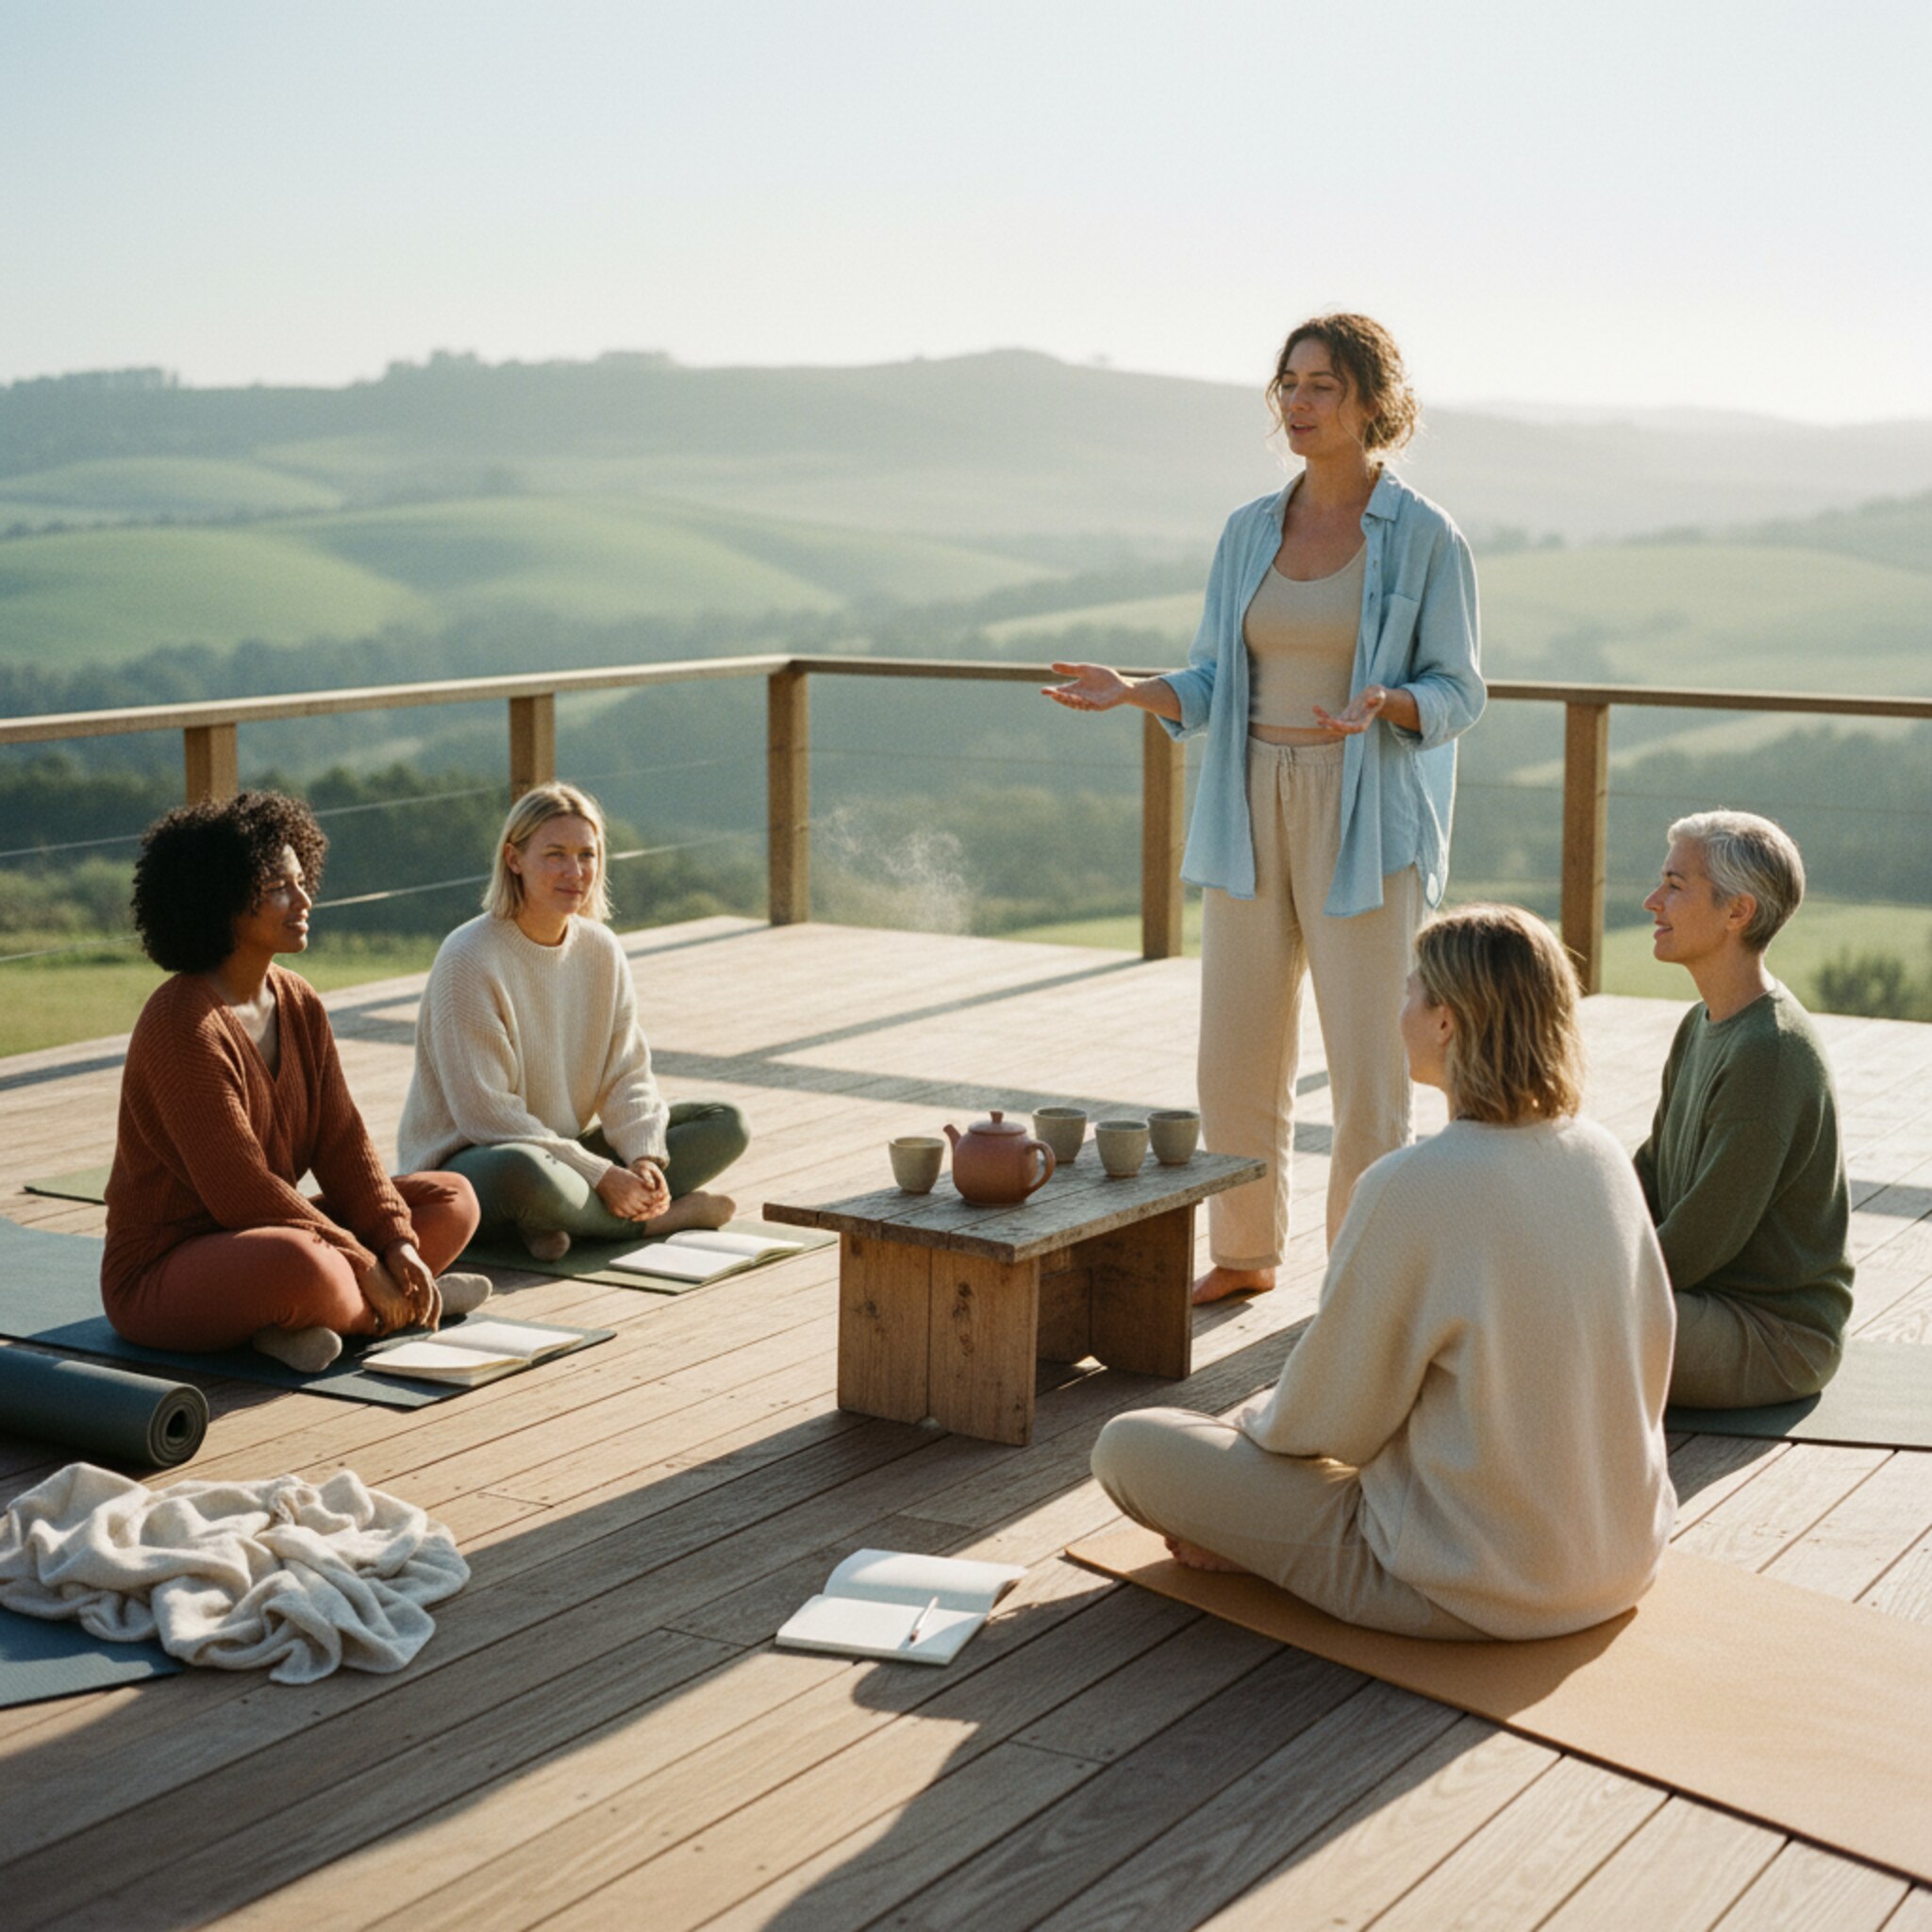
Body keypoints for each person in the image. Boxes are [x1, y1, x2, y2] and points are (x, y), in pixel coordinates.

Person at [1044, 312, 1484, 1304]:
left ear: (1372, 402)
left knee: (1371, 1066)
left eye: (1321, 385)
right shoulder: (1248, 529)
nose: (1296, 401)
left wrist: (1388, 702)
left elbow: (1461, 690)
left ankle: (1363, 1278)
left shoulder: (1422, 536)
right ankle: (1243, 1250)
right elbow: (1209, 678)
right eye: (1287, 383)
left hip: (1365, 810)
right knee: (1234, 1053)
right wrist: (1137, 690)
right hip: (1244, 801)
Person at [1091, 905, 1676, 1641]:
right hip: (1622, 1557)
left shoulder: (1411, 1184)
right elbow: (1655, 1345)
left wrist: (1243, 1436)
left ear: (1446, 1022)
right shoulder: (1602, 1156)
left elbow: (1323, 1423)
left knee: (1130, 1445)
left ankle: (1262, 1550)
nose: (1399, 1005)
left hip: (1469, 1584)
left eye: (1411, 989)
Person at [103, 791, 488, 1374]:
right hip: (164, 1268)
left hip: (265, 1235)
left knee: (452, 1199)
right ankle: (396, 1307)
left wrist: (396, 1243)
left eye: (301, 879)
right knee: (303, 1262)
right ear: (221, 901)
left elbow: (342, 1141)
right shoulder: (182, 1023)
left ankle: (308, 1318)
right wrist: (362, 1261)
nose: (304, 899)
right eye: (278, 888)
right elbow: (242, 1191)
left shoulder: (298, 999)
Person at [399, 781, 749, 1259]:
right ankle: (653, 1222)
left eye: (587, 855)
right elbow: (486, 1114)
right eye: (556, 854)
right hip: (478, 1160)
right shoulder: (469, 957)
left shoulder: (601, 950)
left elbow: (627, 1075)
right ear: (513, 859)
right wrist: (601, 1174)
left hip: (563, 1153)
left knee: (726, 1124)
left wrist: (642, 1158)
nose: (575, 871)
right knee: (527, 1173)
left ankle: (555, 1223)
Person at [1636, 811, 1852, 1407]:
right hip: (1701, 1302)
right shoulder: (1699, 1025)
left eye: (1676, 886)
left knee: (1547, 1322)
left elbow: (1699, 1240)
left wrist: (1578, 1280)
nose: (1653, 901)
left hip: (1773, 1335)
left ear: (1738, 912)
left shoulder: (1771, 1053)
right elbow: (1650, 1175)